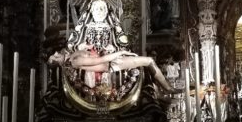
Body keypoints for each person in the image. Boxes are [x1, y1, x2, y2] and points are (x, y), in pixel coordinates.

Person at [48, 46, 178, 93]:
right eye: (54, 56)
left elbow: (94, 54)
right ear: (57, 62)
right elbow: (100, 60)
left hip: (112, 59)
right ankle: (167, 88)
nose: (56, 52)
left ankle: (164, 86)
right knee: (149, 61)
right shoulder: (75, 61)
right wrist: (121, 52)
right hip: (113, 64)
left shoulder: (72, 56)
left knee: (148, 62)